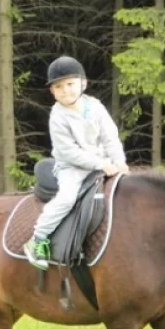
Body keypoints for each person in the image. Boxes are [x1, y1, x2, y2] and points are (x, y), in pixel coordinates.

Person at [23, 55, 128, 269]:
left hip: (102, 161)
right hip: (71, 168)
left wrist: (119, 161)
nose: (65, 90)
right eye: (58, 87)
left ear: (83, 83)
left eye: (70, 84)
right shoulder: (58, 116)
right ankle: (38, 239)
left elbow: (110, 137)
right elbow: (69, 152)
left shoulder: (95, 107)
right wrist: (100, 164)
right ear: (52, 92)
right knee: (67, 199)